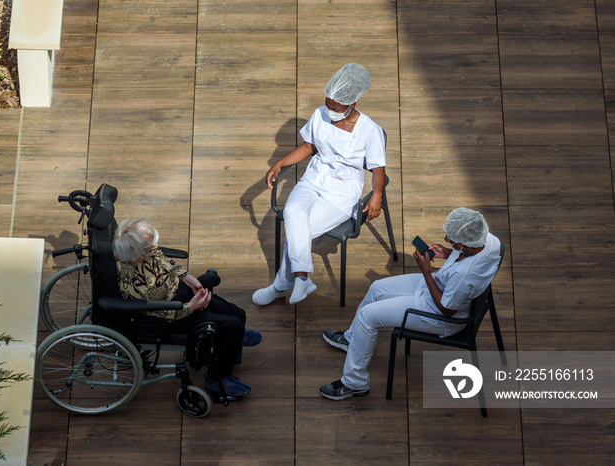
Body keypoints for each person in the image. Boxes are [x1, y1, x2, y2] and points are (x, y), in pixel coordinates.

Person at [319, 208, 501, 400]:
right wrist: (446, 252)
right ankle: (353, 338)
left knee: (367, 317)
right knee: (377, 288)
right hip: (438, 287)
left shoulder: (465, 276)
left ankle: (355, 383)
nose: (447, 239)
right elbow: (463, 255)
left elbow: (446, 310)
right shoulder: (488, 239)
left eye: (451, 240)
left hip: (436, 315)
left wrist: (426, 272)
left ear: (463, 244)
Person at [252, 63, 387, 306]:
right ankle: (301, 279)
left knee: (298, 231)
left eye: (335, 108)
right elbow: (309, 147)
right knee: (293, 213)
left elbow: (378, 168)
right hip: (313, 180)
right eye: (328, 104)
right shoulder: (319, 115)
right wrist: (280, 164)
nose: (330, 111)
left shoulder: (370, 130)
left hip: (342, 192)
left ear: (352, 104)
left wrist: (376, 194)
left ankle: (282, 284)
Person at [112, 218, 261, 399]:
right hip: (171, 315)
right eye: (151, 246)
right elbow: (156, 311)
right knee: (233, 326)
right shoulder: (132, 280)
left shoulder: (141, 249)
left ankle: (232, 342)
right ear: (139, 255)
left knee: (238, 314)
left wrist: (187, 277)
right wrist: (191, 307)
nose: (155, 247)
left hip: (178, 293)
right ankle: (217, 380)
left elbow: (162, 259)